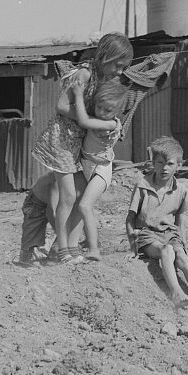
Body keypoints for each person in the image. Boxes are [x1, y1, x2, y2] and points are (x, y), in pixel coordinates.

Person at [31, 32, 133, 264]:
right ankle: (64, 250)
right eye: (118, 65)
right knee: (68, 196)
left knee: (78, 195)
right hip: (62, 140)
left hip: (75, 143)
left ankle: (64, 247)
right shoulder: (84, 74)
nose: (119, 72)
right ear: (106, 56)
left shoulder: (102, 78)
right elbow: (61, 106)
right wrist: (86, 116)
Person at [125, 136, 188, 316]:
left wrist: (184, 246)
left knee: (180, 256)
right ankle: (176, 293)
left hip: (169, 233)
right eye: (159, 163)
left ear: (178, 166)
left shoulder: (182, 191)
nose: (164, 168)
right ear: (153, 163)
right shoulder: (143, 186)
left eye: (169, 164)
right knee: (167, 251)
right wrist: (132, 248)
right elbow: (129, 219)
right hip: (146, 234)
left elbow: (180, 222)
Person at [70, 79, 129, 262]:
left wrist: (78, 94)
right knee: (78, 206)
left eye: (108, 110)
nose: (102, 113)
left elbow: (84, 120)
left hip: (101, 170)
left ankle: (94, 249)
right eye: (99, 107)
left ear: (117, 112)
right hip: (88, 165)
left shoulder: (110, 125)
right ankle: (73, 244)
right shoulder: (100, 117)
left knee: (84, 206)